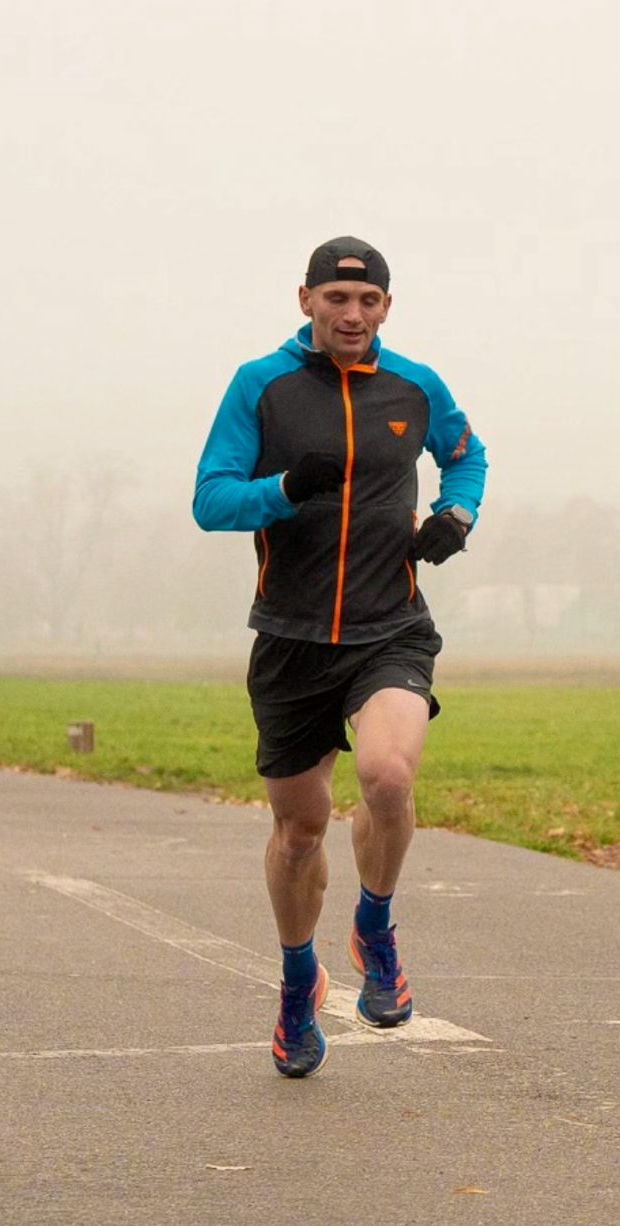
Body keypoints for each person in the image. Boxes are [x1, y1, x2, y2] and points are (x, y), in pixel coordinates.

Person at [192, 236, 488, 1078]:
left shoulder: (416, 387)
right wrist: (283, 489)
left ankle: (377, 927)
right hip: (289, 638)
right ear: (305, 301)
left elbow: (467, 455)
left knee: (389, 777)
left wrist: (455, 517)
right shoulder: (262, 386)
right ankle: (297, 984)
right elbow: (210, 499)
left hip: (388, 626)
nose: (351, 316)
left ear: (386, 308)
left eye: (367, 303)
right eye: (335, 300)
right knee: (298, 832)